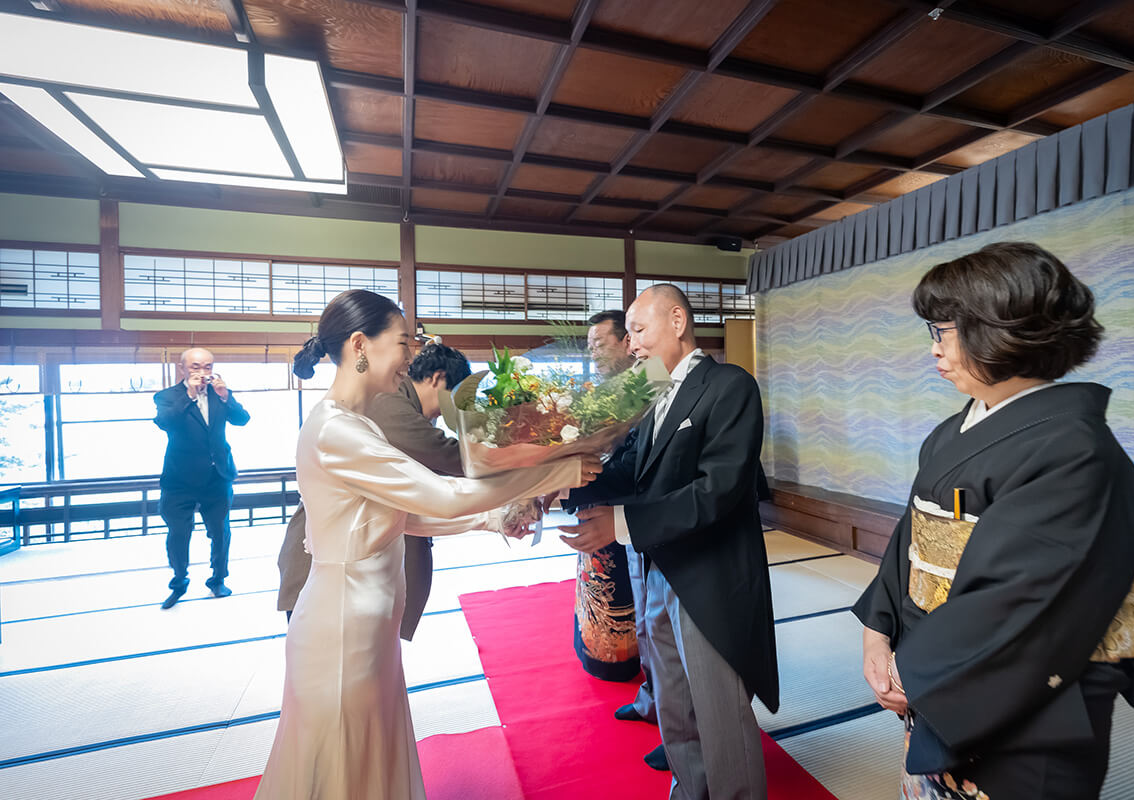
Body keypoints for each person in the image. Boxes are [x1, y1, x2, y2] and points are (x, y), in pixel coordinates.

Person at [254, 290, 599, 800]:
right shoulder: (336, 431)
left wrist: (493, 521)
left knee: (369, 757)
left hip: (367, 621)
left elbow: (401, 517)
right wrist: (554, 471)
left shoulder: (357, 424)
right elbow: (440, 494)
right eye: (402, 343)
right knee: (341, 765)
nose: (411, 357)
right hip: (343, 625)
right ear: (359, 345)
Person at [853, 242, 1134, 800]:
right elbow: (909, 544)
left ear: (999, 331)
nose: (935, 348)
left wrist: (911, 672)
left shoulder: (1075, 451)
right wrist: (878, 633)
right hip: (936, 673)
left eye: (943, 330)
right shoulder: (949, 433)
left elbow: (1016, 604)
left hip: (1023, 707)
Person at [561, 285, 778, 799]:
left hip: (710, 572)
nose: (631, 344)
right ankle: (689, 788)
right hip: (659, 565)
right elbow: (629, 474)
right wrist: (554, 481)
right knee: (676, 700)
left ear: (678, 321)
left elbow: (717, 490)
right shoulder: (652, 391)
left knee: (718, 709)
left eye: (638, 330)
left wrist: (620, 526)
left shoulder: (729, 385)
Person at [276, 343, 472, 635]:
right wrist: (522, 461)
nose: (407, 360)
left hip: (358, 570)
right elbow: (448, 459)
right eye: (401, 343)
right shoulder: (386, 402)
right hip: (333, 573)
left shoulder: (396, 404)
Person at [561, 309, 667, 770]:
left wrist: (569, 477)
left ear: (628, 343)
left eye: (599, 343)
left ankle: (675, 720)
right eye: (588, 347)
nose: (594, 353)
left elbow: (640, 463)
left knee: (661, 624)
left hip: (649, 516)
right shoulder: (609, 394)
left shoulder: (650, 387)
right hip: (612, 513)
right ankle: (650, 697)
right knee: (645, 619)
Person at [153, 347, 250, 609]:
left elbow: (242, 420)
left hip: (217, 475)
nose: (203, 372)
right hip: (179, 479)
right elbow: (165, 422)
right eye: (196, 367)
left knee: (220, 532)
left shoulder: (219, 393)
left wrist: (226, 397)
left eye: (208, 367)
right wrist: (189, 395)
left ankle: (218, 580)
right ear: (183, 368)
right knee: (179, 533)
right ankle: (179, 580)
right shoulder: (167, 396)